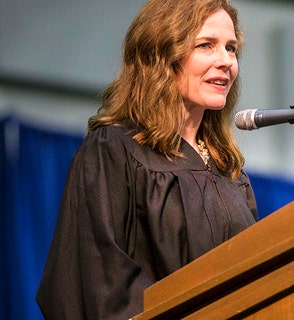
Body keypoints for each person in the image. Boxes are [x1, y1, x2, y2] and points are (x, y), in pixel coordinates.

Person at [36, 0, 258, 318]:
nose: (226, 61)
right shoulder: (114, 151)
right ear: (162, 54)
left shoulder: (231, 173)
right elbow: (100, 283)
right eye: (206, 45)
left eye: (231, 48)